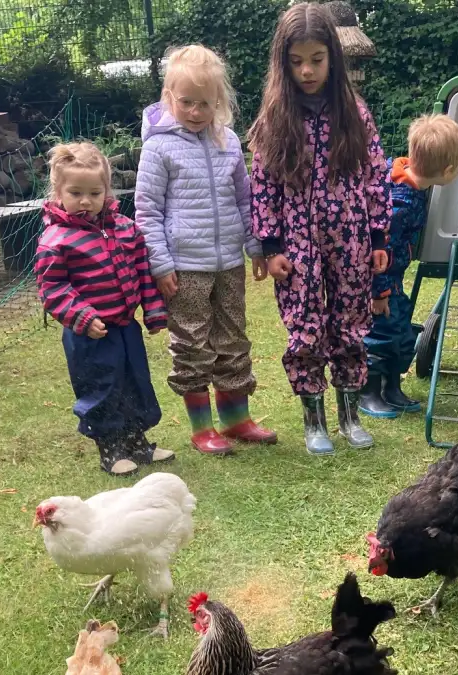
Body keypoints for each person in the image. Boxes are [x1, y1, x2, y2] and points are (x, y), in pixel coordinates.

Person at [248, 2, 391, 455]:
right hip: (295, 238)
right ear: (283, 63)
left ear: (333, 57)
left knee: (350, 321)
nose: (307, 71)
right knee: (305, 325)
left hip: (350, 233)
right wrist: (270, 245)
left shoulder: (354, 112)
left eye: (316, 59)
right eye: (296, 62)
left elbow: (375, 174)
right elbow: (263, 185)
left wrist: (378, 236)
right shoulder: (274, 117)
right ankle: (315, 422)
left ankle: (350, 416)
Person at [135, 44, 277, 457]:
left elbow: (244, 199)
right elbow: (147, 211)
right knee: (192, 343)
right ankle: (202, 428)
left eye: (206, 103)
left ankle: (235, 419)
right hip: (184, 266)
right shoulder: (158, 148)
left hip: (229, 262)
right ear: (169, 97)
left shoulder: (228, 141)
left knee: (233, 337)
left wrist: (255, 246)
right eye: (186, 102)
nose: (196, 112)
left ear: (219, 101)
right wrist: (161, 263)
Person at [34, 142, 174, 477]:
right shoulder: (56, 240)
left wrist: (154, 310)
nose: (86, 201)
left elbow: (143, 271)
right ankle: (110, 447)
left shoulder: (125, 228)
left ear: (106, 191)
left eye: (94, 193)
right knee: (102, 386)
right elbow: (53, 287)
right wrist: (82, 316)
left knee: (135, 381)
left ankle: (137, 441)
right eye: (76, 193)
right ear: (58, 192)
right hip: (90, 334)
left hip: (125, 326)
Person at [359, 114, 458, 419]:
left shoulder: (406, 178)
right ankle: (368, 393)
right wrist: (378, 292)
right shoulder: (400, 203)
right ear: (448, 171)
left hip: (393, 280)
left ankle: (392, 388)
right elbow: (378, 252)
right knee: (381, 334)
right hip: (379, 283)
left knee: (401, 332)